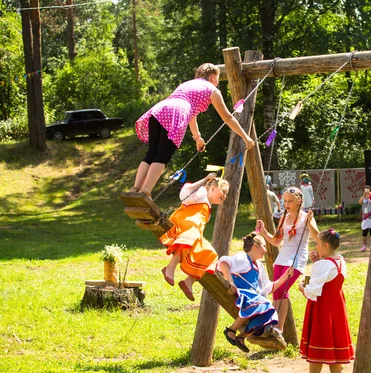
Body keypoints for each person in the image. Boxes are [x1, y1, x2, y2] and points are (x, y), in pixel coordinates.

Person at [130, 63, 255, 198]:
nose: (217, 82)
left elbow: (192, 116)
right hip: (177, 113)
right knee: (162, 155)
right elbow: (228, 117)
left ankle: (135, 189)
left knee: (151, 153)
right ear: (213, 77)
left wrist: (197, 138)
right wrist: (245, 137)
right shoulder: (212, 90)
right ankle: (146, 192)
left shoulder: (188, 84)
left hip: (159, 110)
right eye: (218, 79)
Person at [299, 228, 354, 373]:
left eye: (317, 243)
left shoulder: (323, 265)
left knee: (318, 347)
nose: (315, 246)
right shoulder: (340, 261)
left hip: (322, 308)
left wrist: (302, 285)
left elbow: (311, 287)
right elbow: (327, 277)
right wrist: (318, 261)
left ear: (325, 245)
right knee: (336, 348)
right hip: (336, 307)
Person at [256, 187, 319, 332]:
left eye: (290, 201)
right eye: (285, 201)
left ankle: (279, 328)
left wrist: (309, 221)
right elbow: (276, 241)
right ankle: (271, 325)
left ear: (299, 201)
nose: (287, 204)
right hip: (282, 257)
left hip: (297, 258)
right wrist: (264, 231)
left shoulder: (306, 217)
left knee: (283, 290)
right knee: (276, 291)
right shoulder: (284, 218)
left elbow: (317, 237)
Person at [219, 232, 293, 353]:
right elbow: (223, 263)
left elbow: (268, 288)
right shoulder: (242, 258)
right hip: (242, 294)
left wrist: (285, 277)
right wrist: (231, 282)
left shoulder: (259, 265)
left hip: (253, 297)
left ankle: (242, 336)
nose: (265, 250)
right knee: (262, 303)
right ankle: (232, 329)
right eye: (263, 246)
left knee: (269, 312)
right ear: (255, 246)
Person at [160, 173, 228, 301]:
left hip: (194, 231)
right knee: (192, 233)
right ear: (213, 188)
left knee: (211, 254)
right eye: (223, 191)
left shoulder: (208, 208)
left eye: (226, 194)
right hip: (183, 222)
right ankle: (170, 267)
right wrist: (205, 179)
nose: (225, 196)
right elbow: (185, 193)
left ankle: (188, 282)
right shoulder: (201, 193)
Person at [358, 185, 371, 252]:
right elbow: (360, 202)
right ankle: (364, 246)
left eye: (367, 189)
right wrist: (364, 195)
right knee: (364, 233)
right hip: (365, 218)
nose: (366, 191)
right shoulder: (363, 198)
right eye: (365, 189)